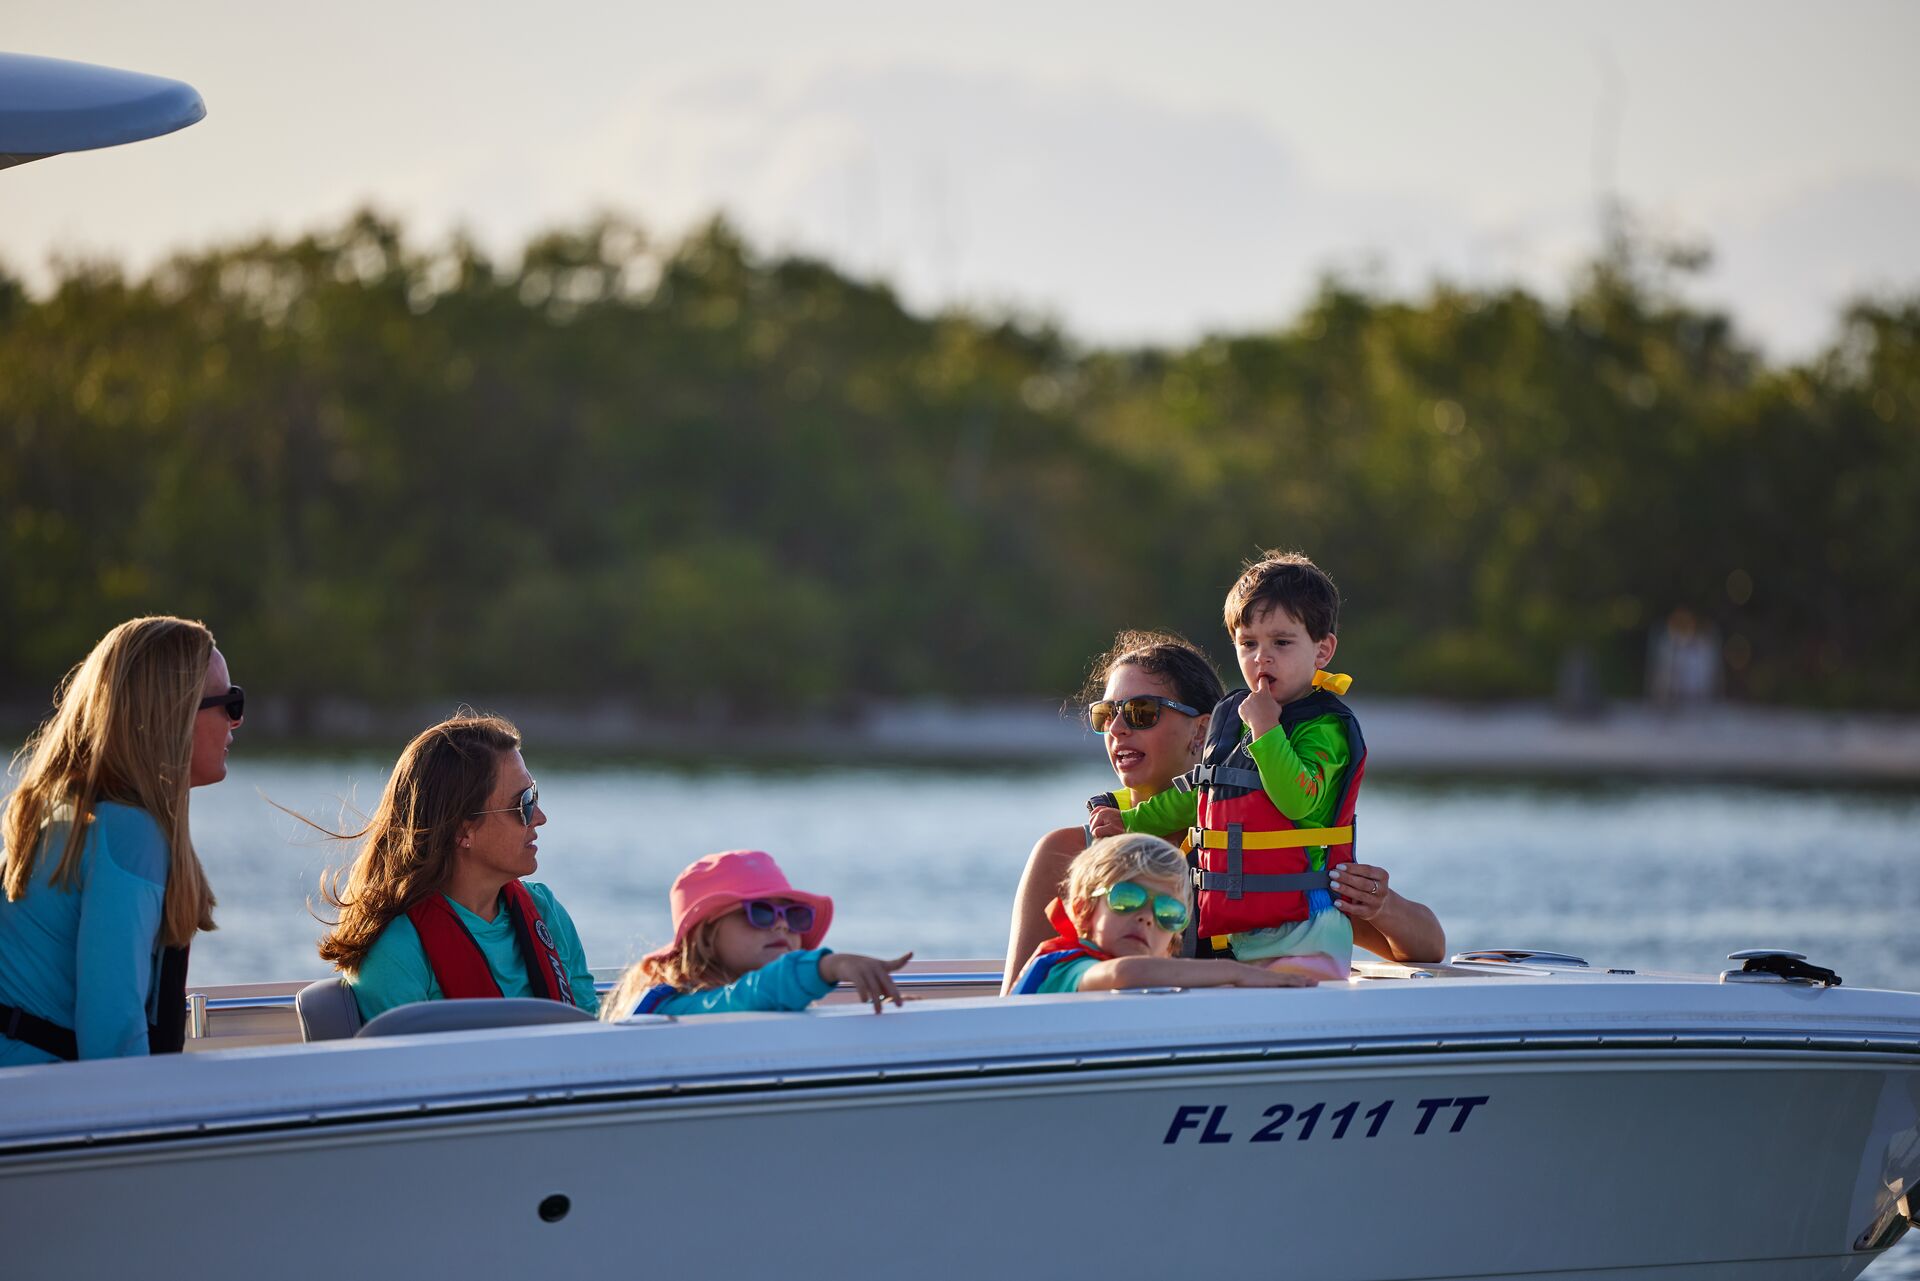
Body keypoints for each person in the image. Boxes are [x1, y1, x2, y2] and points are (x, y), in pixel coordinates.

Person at [1002, 628, 1442, 992]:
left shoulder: (1251, 844)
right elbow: (1015, 1000)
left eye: (1140, 712)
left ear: (1203, 730)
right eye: (1106, 714)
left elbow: (1426, 948)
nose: (1117, 729)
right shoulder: (1068, 850)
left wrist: (1381, 905)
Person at [1, 616, 240, 1064]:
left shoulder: (83, 816)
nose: (236, 721)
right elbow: (112, 1040)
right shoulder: (129, 831)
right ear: (173, 715)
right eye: (229, 702)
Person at [316, 714, 600, 1022]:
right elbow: (405, 1069)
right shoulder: (396, 951)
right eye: (524, 804)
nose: (540, 817)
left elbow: (590, 1031)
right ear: (463, 831)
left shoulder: (546, 911)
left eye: (534, 795)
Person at [602, 850, 909, 1018]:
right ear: (707, 935)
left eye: (794, 914)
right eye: (760, 913)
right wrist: (826, 966)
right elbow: (749, 996)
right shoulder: (675, 1009)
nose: (782, 925)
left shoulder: (765, 1001)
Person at [1010, 834, 1317, 994]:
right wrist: (1237, 972)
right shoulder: (1066, 968)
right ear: (1082, 910)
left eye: (1167, 913)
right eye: (1128, 899)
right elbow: (1124, 974)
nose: (1146, 918)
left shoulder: (1147, 981)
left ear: (1174, 938)